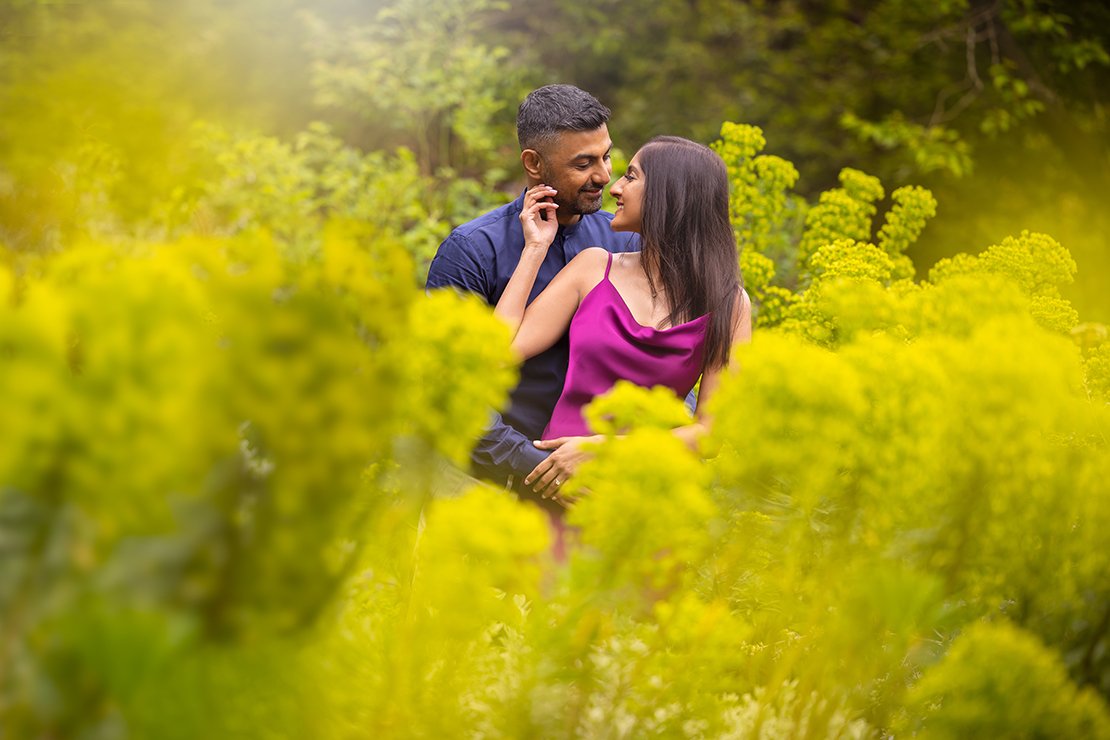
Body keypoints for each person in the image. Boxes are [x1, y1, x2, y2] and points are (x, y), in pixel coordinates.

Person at [494, 136, 752, 505]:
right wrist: (536, 248)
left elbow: (711, 435)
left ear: (669, 195)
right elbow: (497, 352)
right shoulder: (593, 267)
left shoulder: (729, 305)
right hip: (560, 487)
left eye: (631, 177)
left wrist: (605, 450)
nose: (614, 186)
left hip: (642, 501)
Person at [425, 85, 638, 504]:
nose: (604, 176)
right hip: (485, 488)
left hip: (595, 490)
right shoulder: (471, 250)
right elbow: (446, 391)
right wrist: (538, 468)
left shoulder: (626, 244)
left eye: (606, 156)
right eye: (583, 163)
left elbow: (665, 359)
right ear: (534, 163)